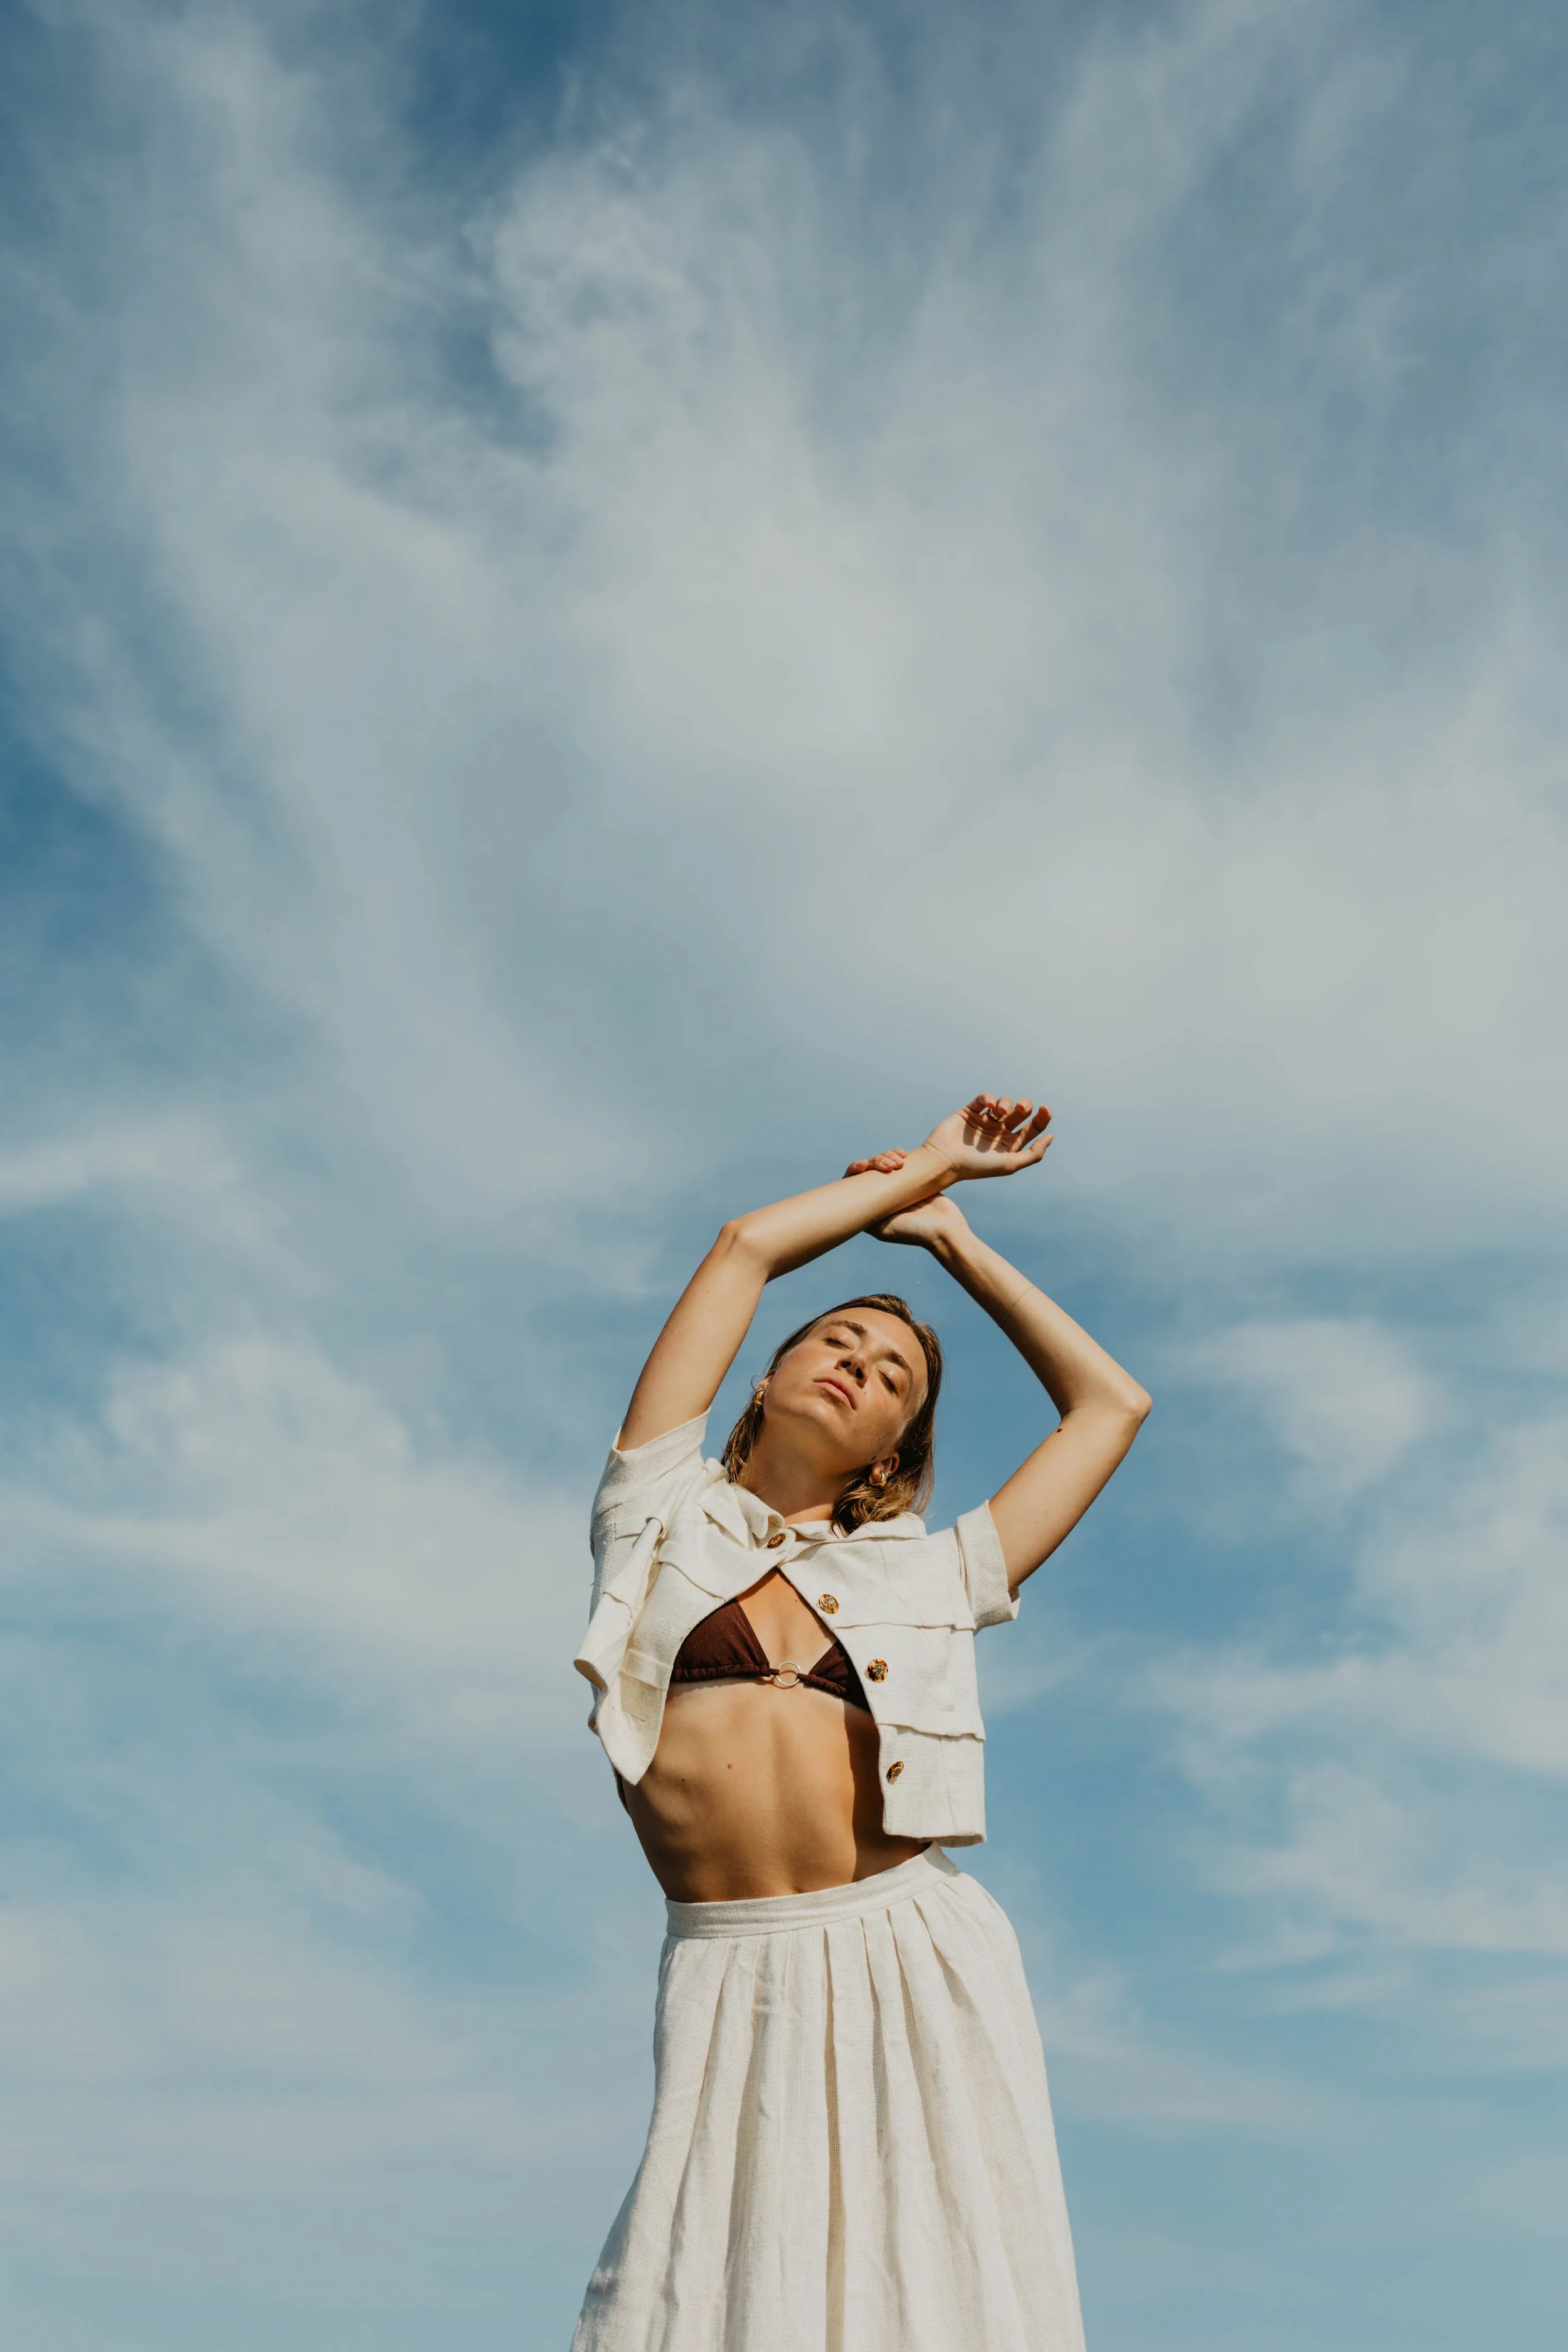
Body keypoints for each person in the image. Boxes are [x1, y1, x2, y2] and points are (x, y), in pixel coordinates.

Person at [572, 1093, 1150, 2352]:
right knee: (684, 2305)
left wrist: (955, 1243)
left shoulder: (934, 1572)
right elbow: (742, 1248)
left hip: (912, 1944)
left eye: (893, 1377)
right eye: (836, 1342)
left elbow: (1109, 1407)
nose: (858, 1365)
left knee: (942, 2294)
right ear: (767, 1378)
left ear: (894, 1446)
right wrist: (917, 1173)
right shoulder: (656, 1507)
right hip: (728, 1960)